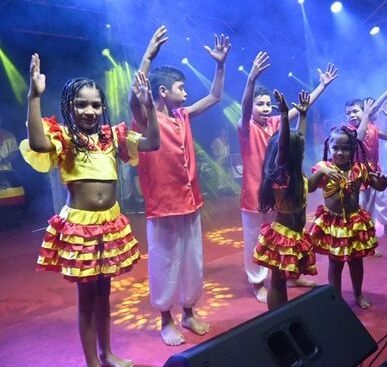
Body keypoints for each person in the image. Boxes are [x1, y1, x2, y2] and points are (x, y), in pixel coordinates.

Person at [20, 54, 160, 367]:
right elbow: (39, 144)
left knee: (104, 294)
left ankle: (107, 353)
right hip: (80, 228)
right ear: (70, 106)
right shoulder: (65, 137)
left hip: (109, 224)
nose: (90, 111)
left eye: (96, 105)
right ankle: (92, 363)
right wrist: (33, 97)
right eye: (82, 104)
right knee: (86, 299)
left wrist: (149, 106)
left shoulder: (113, 137)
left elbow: (152, 143)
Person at [129, 26, 231, 346]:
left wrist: (220, 65)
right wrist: (147, 57)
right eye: (180, 87)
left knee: (192, 260)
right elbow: (136, 95)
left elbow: (215, 96)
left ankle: (188, 312)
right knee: (165, 261)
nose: (185, 92)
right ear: (162, 92)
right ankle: (165, 318)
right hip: (163, 206)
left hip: (191, 202)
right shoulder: (146, 117)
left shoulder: (183, 115)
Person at [238, 51, 337, 302]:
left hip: (284, 191)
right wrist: (250, 80)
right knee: (256, 240)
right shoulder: (245, 127)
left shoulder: (274, 124)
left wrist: (322, 86)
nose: (263, 108)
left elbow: (301, 110)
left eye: (266, 103)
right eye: (258, 104)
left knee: (286, 234)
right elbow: (245, 107)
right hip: (256, 192)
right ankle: (258, 281)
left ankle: (290, 274)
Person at [308, 125, 387, 309]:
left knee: (356, 261)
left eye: (345, 149)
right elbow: (310, 187)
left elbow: (377, 185)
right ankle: (334, 296)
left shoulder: (358, 169)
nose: (340, 152)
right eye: (336, 148)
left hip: (354, 223)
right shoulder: (323, 167)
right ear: (328, 147)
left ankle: (358, 294)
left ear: (353, 150)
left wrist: (381, 182)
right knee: (335, 263)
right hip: (332, 223)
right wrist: (322, 172)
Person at [253, 90, 317, 310]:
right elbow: (284, 146)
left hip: (296, 234)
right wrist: (283, 115)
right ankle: (278, 318)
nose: (301, 150)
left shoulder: (295, 170)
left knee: (284, 280)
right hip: (283, 237)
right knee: (278, 283)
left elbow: (298, 139)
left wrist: (304, 115)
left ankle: (283, 314)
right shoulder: (282, 175)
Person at [345, 95, 387, 241]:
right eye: (348, 113)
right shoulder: (347, 130)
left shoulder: (373, 128)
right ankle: (365, 238)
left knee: (381, 201)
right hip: (358, 176)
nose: (351, 115)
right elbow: (359, 137)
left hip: (375, 172)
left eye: (355, 111)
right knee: (364, 207)